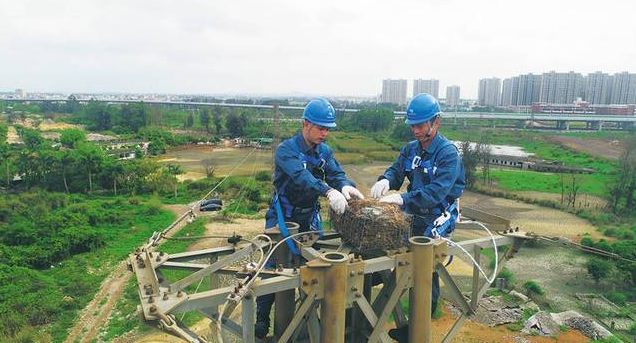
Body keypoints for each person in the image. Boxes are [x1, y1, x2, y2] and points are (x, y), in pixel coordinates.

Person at [255, 98, 364, 338]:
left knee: (317, 265)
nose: (325, 133)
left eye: (328, 129)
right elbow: (300, 177)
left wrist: (345, 186)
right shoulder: (287, 150)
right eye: (320, 128)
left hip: (309, 216)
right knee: (273, 268)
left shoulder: (324, 151)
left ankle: (310, 316)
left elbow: (336, 173)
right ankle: (262, 318)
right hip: (283, 216)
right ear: (305, 124)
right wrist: (327, 190)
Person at [370, 93, 465, 342]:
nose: (415, 130)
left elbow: (436, 192)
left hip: (438, 213)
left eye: (420, 125)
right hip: (414, 210)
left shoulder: (447, 153)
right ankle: (370, 283)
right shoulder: (411, 149)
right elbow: (397, 170)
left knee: (425, 263)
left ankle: (418, 323)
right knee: (386, 240)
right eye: (413, 125)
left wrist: (403, 199)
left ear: (436, 122)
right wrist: (386, 180)